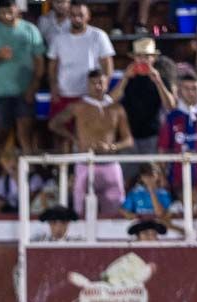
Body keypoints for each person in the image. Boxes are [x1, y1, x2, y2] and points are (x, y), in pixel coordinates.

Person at [48, 69, 134, 216]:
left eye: (100, 82)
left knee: (115, 212)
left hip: (110, 164)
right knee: (80, 211)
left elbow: (129, 140)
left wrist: (112, 147)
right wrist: (73, 138)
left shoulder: (116, 109)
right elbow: (54, 124)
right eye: (93, 83)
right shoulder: (78, 107)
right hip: (85, 163)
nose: (97, 86)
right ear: (87, 85)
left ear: (107, 84)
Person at [0, 0, 46, 152]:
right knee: (3, 136)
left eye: (10, 11)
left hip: (25, 90)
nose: (7, 16)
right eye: (3, 13)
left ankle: (29, 166)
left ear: (17, 9)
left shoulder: (30, 29)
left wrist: (34, 86)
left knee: (25, 133)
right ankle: (5, 167)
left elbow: (39, 61)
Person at [111, 38, 176, 182]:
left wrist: (158, 82)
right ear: (133, 58)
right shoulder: (126, 78)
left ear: (153, 59)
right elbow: (111, 101)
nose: (143, 60)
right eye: (139, 56)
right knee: (125, 178)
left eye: (147, 56)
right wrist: (125, 78)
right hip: (128, 137)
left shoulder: (160, 78)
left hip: (152, 137)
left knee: (153, 177)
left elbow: (170, 106)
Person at [46, 2, 114, 128]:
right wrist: (53, 87)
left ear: (88, 16)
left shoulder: (99, 36)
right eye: (73, 15)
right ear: (68, 16)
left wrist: (102, 89)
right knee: (60, 130)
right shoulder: (58, 38)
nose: (77, 18)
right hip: (64, 93)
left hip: (90, 94)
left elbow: (107, 65)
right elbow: (52, 66)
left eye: (81, 15)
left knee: (89, 131)